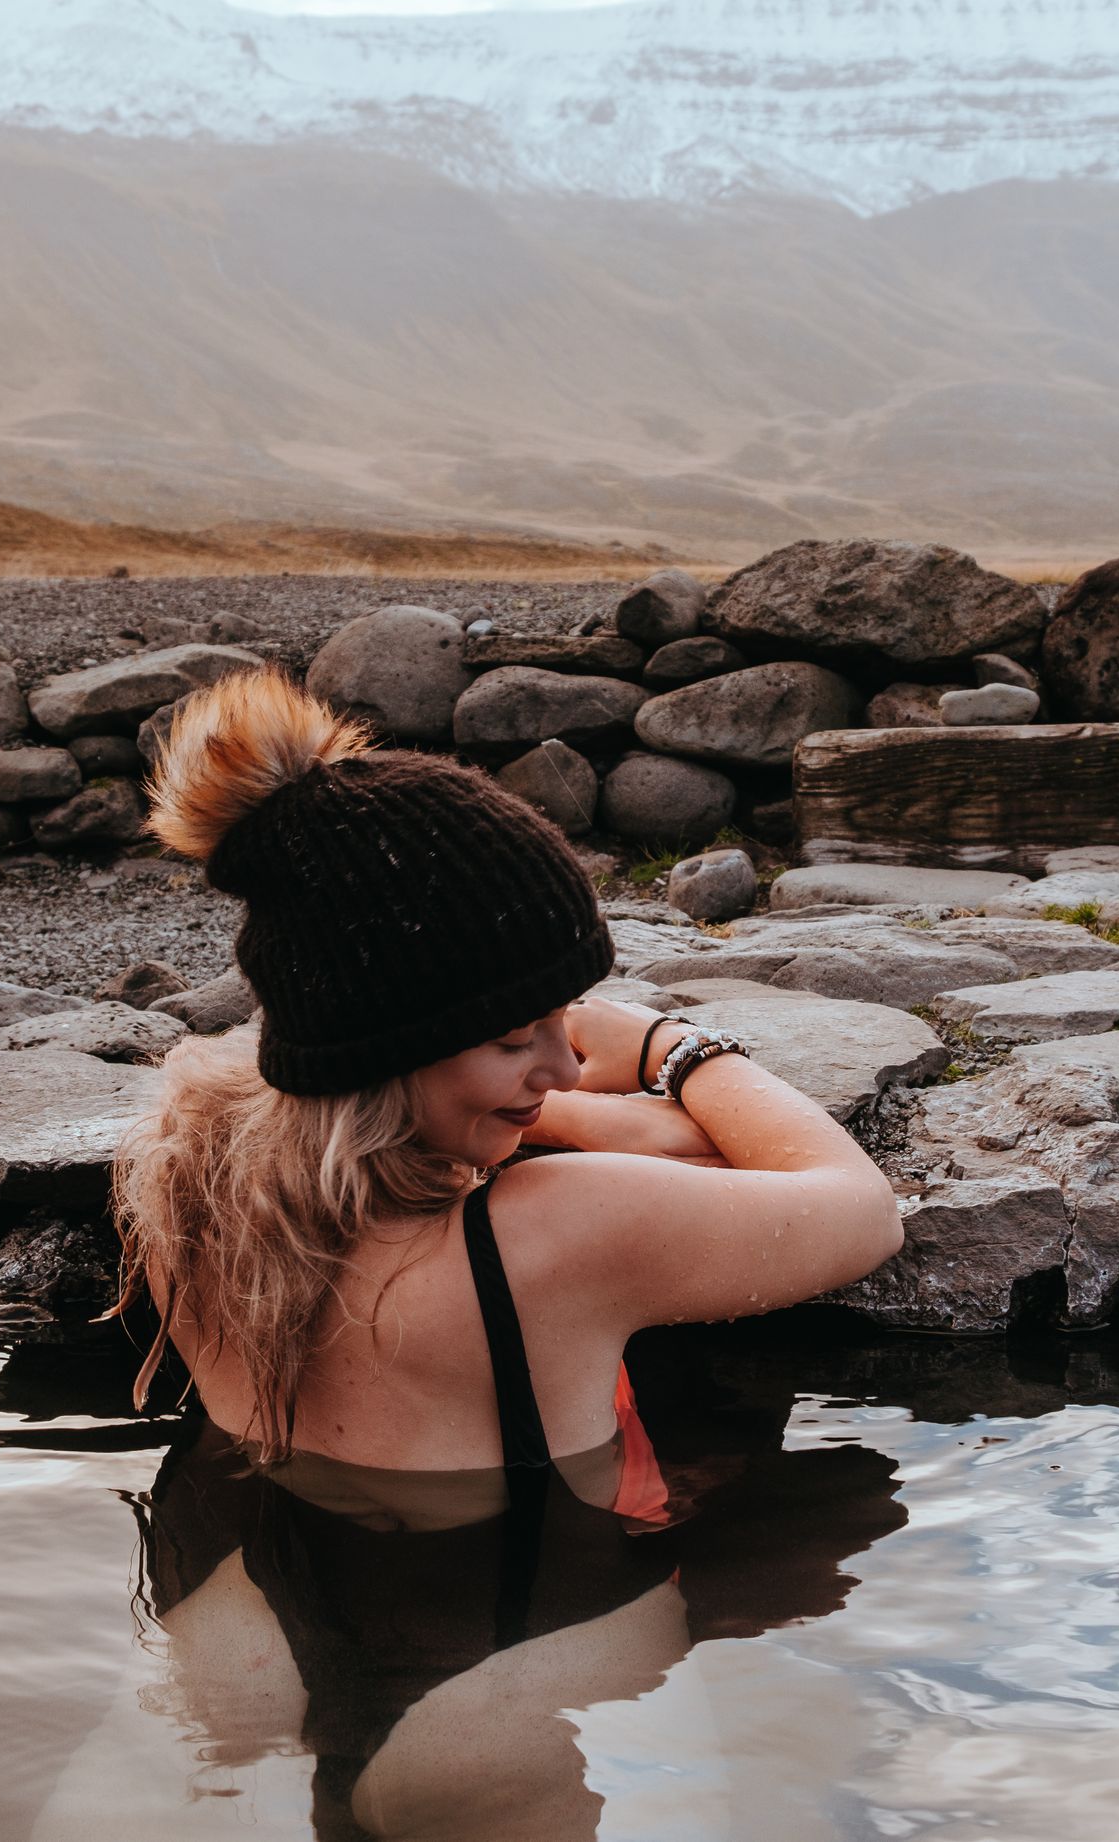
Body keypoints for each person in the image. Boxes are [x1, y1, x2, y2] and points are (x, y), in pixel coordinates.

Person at [86, 666, 904, 1839]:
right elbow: (858, 1209)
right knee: (816, 1558)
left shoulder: (184, 1172)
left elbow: (370, 1095)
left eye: (569, 1022)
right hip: (502, 1691)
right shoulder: (550, 1237)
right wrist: (677, 1049)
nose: (567, 1065)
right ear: (396, 1052)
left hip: (242, 1639)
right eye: (521, 1037)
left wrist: (549, 1102)